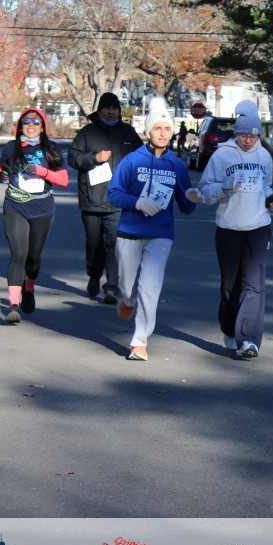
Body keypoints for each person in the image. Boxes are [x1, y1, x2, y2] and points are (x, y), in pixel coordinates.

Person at [186, 100, 273, 359]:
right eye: (243, 135)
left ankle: (249, 339)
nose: (248, 141)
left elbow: (266, 187)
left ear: (258, 136)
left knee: (254, 283)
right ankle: (230, 328)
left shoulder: (264, 156)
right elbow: (204, 190)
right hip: (229, 227)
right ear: (236, 134)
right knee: (231, 285)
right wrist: (224, 188)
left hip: (259, 226)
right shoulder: (222, 155)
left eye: (253, 136)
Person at [107, 96, 197, 361]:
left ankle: (140, 342)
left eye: (167, 129)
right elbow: (113, 194)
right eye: (158, 128)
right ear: (148, 131)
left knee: (150, 287)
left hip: (160, 234)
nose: (163, 133)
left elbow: (187, 205)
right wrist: (137, 202)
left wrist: (192, 197)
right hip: (130, 232)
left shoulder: (176, 165)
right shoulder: (132, 161)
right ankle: (127, 300)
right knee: (129, 285)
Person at [0, 108, 69, 324]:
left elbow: (63, 180)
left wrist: (41, 171)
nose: (31, 125)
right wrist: (3, 175)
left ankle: (29, 289)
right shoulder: (11, 147)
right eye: (26, 121)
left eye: (36, 122)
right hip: (15, 206)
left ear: (43, 127)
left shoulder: (51, 148)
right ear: (20, 125)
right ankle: (13, 306)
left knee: (33, 258)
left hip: (42, 209)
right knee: (18, 255)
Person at [68, 92, 143, 304]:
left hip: (118, 200)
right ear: (99, 110)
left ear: (119, 111)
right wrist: (94, 158)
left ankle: (111, 287)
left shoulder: (128, 132)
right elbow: (73, 158)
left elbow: (142, 158)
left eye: (114, 108)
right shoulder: (87, 132)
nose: (111, 111)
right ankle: (94, 274)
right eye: (107, 108)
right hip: (92, 199)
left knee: (114, 244)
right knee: (94, 244)